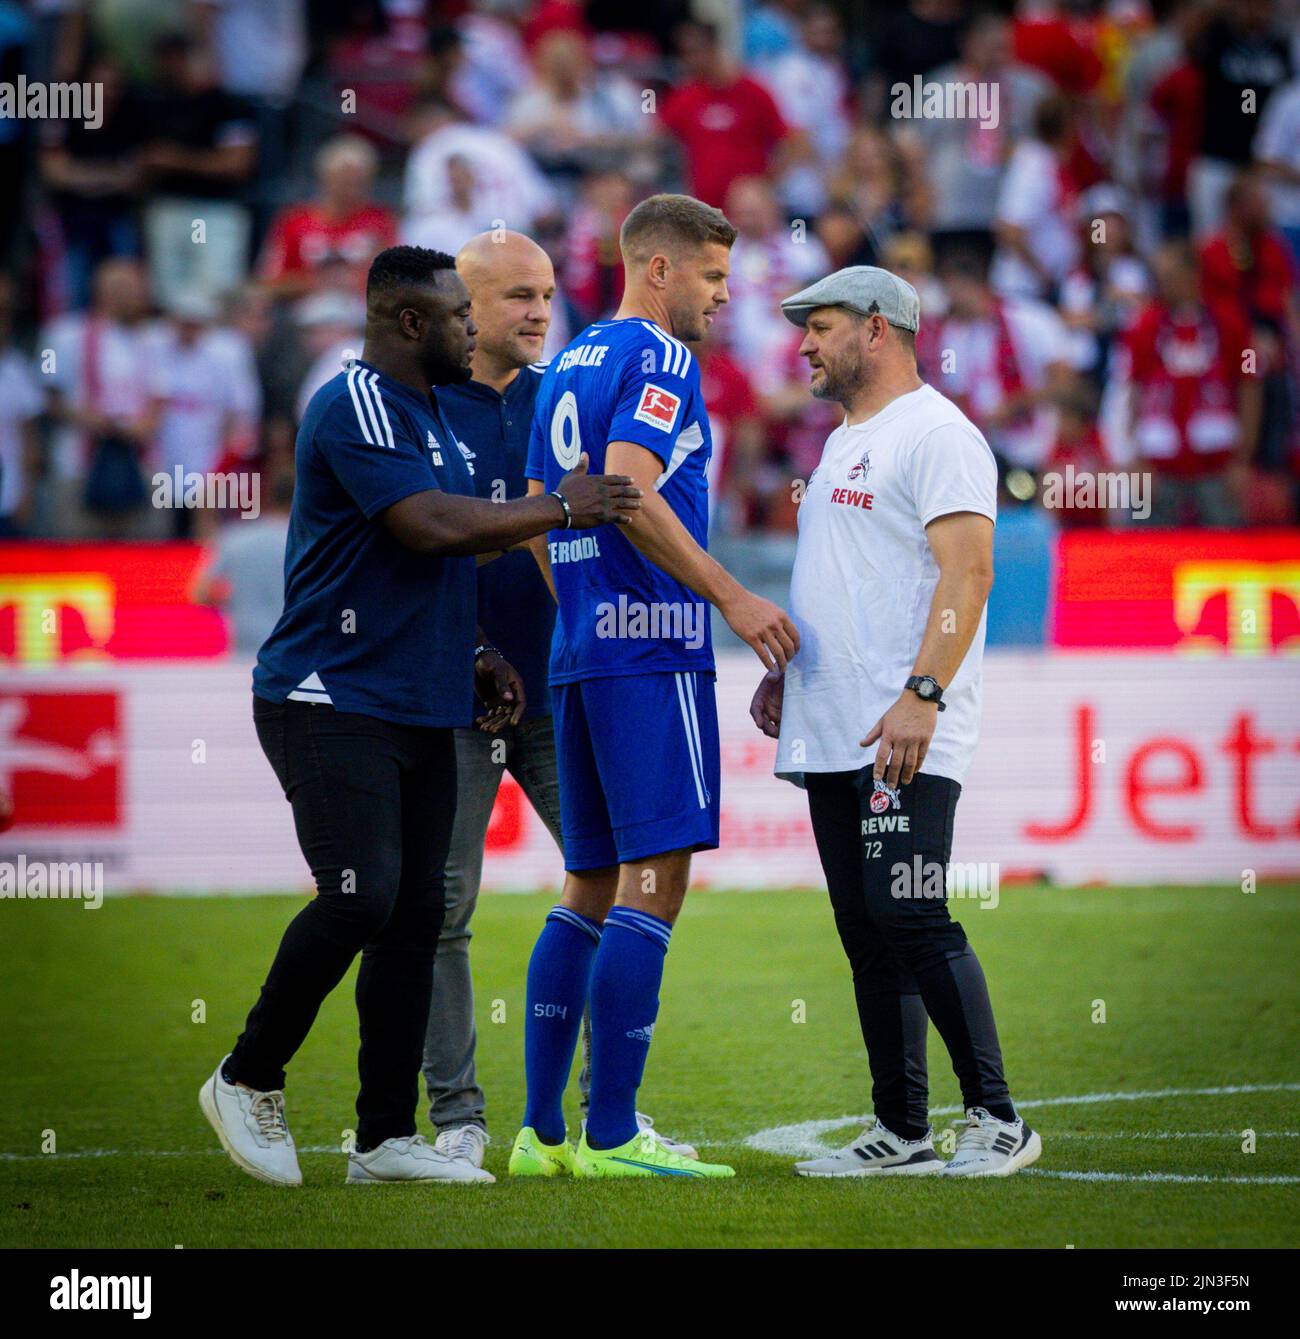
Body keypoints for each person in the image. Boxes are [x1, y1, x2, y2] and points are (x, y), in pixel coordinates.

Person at [198, 245, 641, 1188]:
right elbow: (427, 527)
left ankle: (385, 1136)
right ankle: (246, 1073)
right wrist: (560, 508)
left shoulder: (435, 413)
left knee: (414, 914)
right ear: (411, 324)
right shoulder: (354, 400)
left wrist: (476, 652)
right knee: (362, 895)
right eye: (458, 316)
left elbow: (435, 553)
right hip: (330, 693)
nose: (472, 330)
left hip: (427, 694)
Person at [511, 193, 799, 1180]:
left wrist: (577, 614)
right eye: (714, 277)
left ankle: (540, 1131)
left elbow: (544, 515)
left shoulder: (564, 366)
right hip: (652, 647)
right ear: (660, 266)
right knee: (654, 879)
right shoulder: (660, 358)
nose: (722, 298)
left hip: (583, 649)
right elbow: (627, 487)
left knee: (586, 880)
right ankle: (615, 1133)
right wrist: (730, 596)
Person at [750, 264, 1041, 1178]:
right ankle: (902, 1130)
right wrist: (791, 678)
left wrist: (924, 692)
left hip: (907, 724)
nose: (803, 343)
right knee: (866, 926)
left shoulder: (939, 434)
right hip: (835, 722)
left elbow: (969, 575)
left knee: (910, 911)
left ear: (878, 329)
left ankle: (999, 1118)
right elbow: (855, 581)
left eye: (820, 325)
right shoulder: (844, 439)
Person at [421, 230, 695, 1169]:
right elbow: (407, 546)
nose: (539, 312)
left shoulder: (560, 389)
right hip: (447, 690)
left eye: (545, 294)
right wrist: (469, 647)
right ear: (466, 306)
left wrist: (576, 625)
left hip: (561, 686)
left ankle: (588, 1120)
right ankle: (460, 1118)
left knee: (604, 883)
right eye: (516, 299)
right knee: (442, 911)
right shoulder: (416, 408)